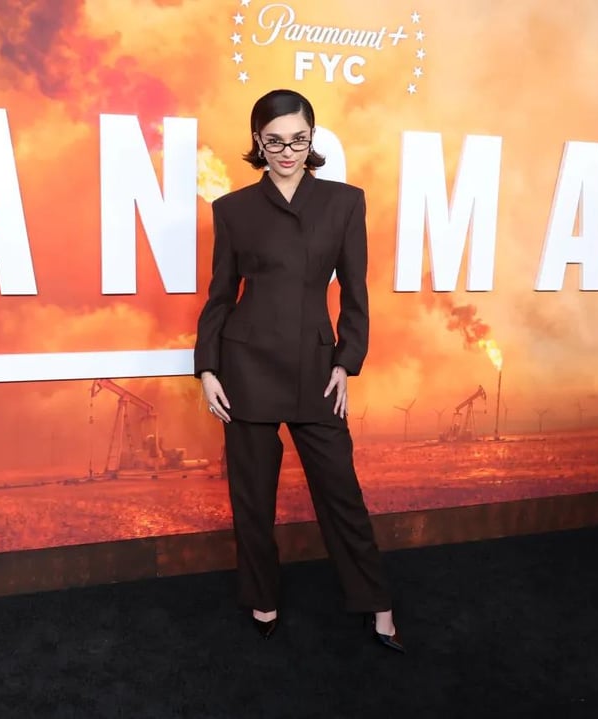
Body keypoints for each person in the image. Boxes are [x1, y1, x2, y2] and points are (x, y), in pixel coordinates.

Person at [194, 89, 404, 653]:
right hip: (245, 370)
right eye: (275, 141)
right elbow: (220, 297)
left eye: (298, 140)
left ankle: (377, 603)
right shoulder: (232, 210)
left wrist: (346, 363)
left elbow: (356, 294)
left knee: (341, 495)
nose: (288, 152)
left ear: (312, 138)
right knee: (252, 500)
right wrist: (208, 368)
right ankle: (262, 597)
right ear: (257, 142)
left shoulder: (344, 203)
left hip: (316, 370)